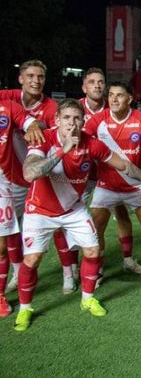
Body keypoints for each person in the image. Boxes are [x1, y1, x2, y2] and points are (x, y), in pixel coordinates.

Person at [14, 99, 141, 331]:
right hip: (40, 211)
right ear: (57, 121)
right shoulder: (46, 140)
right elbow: (30, 173)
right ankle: (25, 309)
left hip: (74, 209)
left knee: (92, 251)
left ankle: (88, 298)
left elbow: (123, 165)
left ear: (83, 121)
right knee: (32, 260)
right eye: (66, 118)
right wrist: (63, 150)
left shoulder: (92, 144)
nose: (72, 124)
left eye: (76, 118)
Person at [0, 60, 60, 294]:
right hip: (10, 177)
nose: (36, 81)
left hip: (42, 176)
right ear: (21, 79)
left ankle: (68, 273)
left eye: (40, 77)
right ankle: (17, 272)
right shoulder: (8, 99)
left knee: (53, 224)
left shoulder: (51, 108)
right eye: (31, 76)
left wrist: (36, 125)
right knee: (10, 229)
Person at [84, 82, 141, 280]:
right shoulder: (97, 120)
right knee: (97, 227)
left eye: (120, 95)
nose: (114, 99)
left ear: (130, 99)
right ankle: (97, 269)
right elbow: (81, 141)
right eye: (111, 95)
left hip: (134, 184)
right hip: (106, 185)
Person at [0, 102, 42, 317]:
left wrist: (34, 126)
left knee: (1, 242)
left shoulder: (7, 107)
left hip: (2, 181)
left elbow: (30, 122)